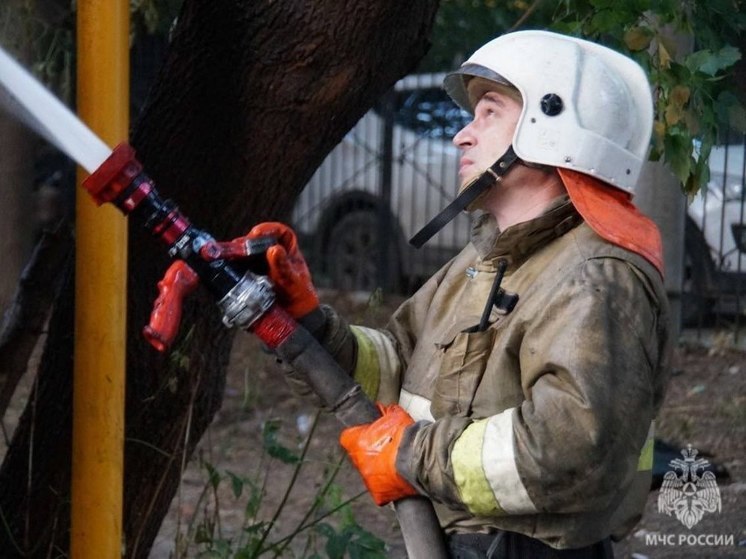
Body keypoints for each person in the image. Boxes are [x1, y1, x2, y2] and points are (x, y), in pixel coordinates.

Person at [206, 30, 671, 559]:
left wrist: (408, 454)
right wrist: (308, 323)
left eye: (488, 113)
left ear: (552, 124)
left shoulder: (596, 279)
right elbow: (398, 372)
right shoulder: (479, 263)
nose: (462, 136)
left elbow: (568, 450)